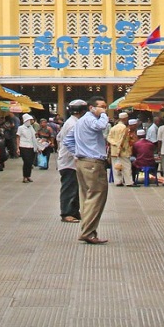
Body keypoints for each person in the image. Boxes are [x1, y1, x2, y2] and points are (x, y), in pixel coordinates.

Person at [64, 96, 110, 244]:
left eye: (105, 107)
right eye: (101, 106)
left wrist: (77, 153)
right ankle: (88, 232)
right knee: (96, 197)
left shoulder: (80, 122)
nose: (104, 109)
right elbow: (101, 126)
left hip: (83, 161)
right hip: (93, 163)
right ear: (91, 108)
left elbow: (67, 140)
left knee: (87, 198)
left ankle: (88, 230)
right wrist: (103, 115)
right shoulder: (90, 119)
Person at [55, 100, 87, 223]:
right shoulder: (73, 124)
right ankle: (66, 213)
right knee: (69, 187)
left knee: (75, 187)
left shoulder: (71, 122)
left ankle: (74, 211)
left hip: (68, 160)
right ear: (82, 111)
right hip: (69, 161)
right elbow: (71, 143)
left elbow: (59, 137)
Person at [106, 112, 134, 187]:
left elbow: (109, 138)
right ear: (125, 119)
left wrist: (114, 143)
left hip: (114, 150)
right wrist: (119, 145)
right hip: (123, 150)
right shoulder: (124, 128)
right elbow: (123, 139)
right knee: (126, 166)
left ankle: (118, 181)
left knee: (116, 166)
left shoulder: (113, 128)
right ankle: (129, 182)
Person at [16, 114, 38, 183]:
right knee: (26, 161)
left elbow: (34, 137)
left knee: (30, 162)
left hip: (31, 146)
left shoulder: (31, 128)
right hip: (23, 146)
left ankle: (28, 176)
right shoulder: (21, 128)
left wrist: (37, 146)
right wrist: (17, 148)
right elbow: (18, 137)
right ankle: (24, 176)